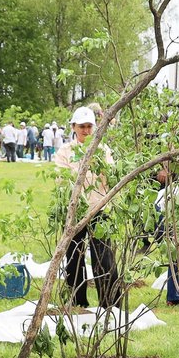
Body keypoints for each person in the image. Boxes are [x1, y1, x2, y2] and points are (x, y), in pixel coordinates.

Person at [54, 105, 119, 309]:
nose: (86, 131)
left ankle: (110, 303)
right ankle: (77, 301)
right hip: (76, 212)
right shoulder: (65, 152)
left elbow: (111, 177)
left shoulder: (103, 150)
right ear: (73, 127)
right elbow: (61, 180)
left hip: (98, 210)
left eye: (89, 126)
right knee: (74, 258)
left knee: (104, 258)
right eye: (82, 126)